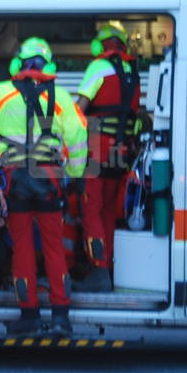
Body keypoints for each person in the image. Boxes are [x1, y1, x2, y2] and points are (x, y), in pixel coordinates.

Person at [0, 38, 88, 336]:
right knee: (53, 248)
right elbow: (78, 140)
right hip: (49, 181)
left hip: (14, 184)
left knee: (21, 249)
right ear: (48, 65)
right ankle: (61, 317)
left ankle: (29, 316)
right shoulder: (63, 98)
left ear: (17, 64)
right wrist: (73, 176)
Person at [75, 22, 142, 292]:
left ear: (100, 45)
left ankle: (98, 271)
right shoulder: (133, 74)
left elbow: (79, 110)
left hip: (95, 153)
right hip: (122, 154)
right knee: (107, 216)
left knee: (90, 211)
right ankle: (108, 270)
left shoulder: (98, 67)